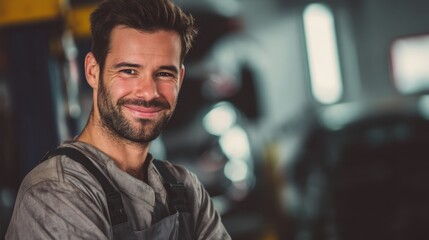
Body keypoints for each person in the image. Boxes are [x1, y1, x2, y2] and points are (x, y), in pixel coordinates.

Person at [5, 0, 231, 239]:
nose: (148, 92)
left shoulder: (187, 190)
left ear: (180, 79)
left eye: (164, 73)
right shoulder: (55, 193)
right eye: (129, 71)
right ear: (93, 70)